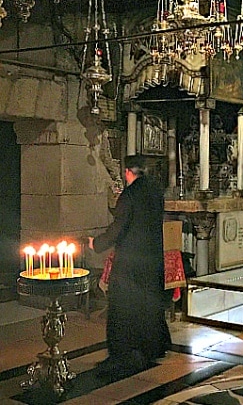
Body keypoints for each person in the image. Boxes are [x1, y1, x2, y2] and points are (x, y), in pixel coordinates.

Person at [88, 154, 171, 379]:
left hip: (131, 262)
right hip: (152, 259)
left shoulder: (129, 194)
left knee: (123, 305)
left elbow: (119, 227)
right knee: (149, 303)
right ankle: (152, 346)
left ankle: (124, 352)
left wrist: (96, 243)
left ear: (127, 172)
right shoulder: (155, 190)